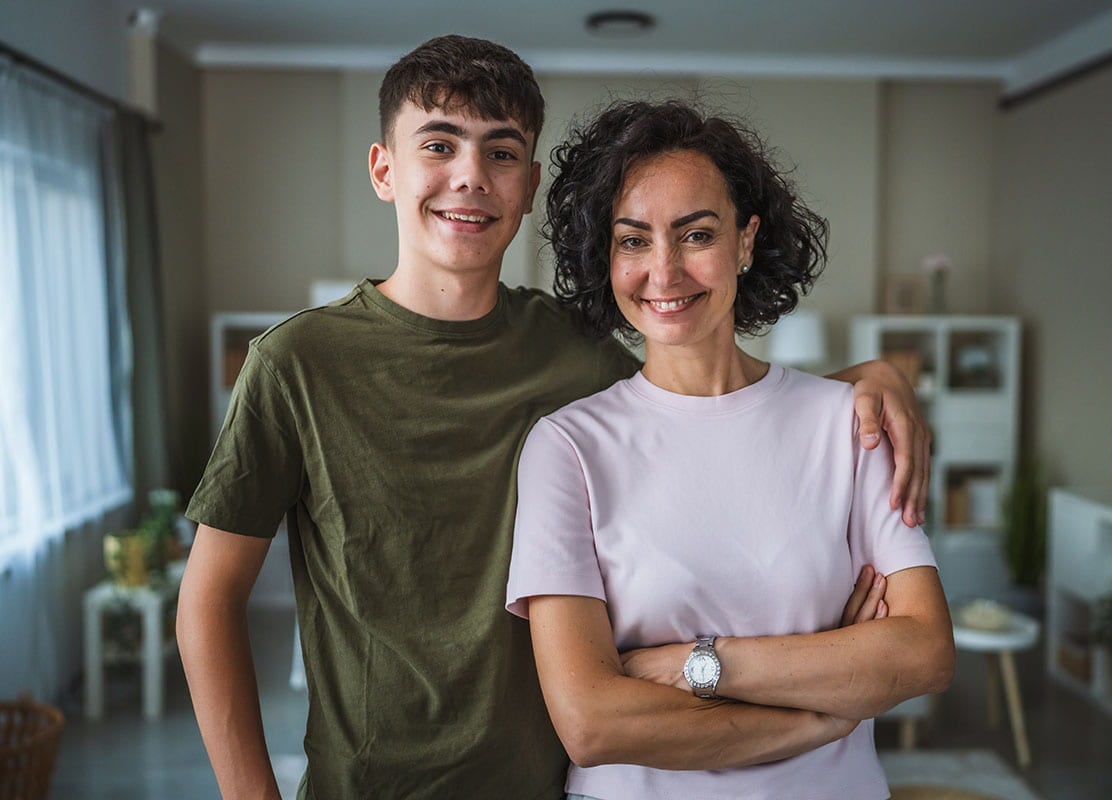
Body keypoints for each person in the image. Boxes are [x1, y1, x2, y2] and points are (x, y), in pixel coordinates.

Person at [177, 37, 931, 799]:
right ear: (383, 170)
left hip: (547, 783)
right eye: (438, 145)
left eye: (501, 153)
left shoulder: (573, 349)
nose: (471, 176)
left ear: (531, 184)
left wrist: (857, 387)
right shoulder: (297, 363)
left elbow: (702, 406)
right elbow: (208, 603)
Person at [506, 99, 955, 800]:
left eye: (696, 234)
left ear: (746, 241)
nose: (664, 271)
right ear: (605, 257)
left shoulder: (852, 423)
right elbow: (591, 723)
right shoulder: (567, 448)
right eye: (633, 240)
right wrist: (822, 714)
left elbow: (923, 653)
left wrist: (698, 664)